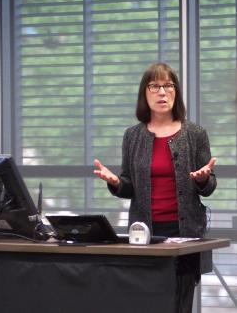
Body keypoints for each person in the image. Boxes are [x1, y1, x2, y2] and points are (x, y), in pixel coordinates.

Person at [93, 62, 217, 313]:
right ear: (145, 94)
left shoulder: (195, 134)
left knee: (179, 304)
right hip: (145, 234)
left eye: (169, 85)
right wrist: (117, 183)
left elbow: (209, 187)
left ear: (176, 92)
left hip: (185, 233)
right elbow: (130, 187)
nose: (163, 92)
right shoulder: (132, 136)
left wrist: (203, 178)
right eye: (155, 86)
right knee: (146, 302)